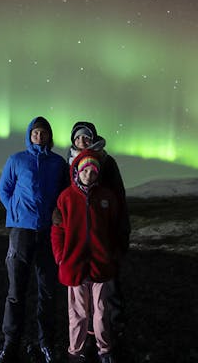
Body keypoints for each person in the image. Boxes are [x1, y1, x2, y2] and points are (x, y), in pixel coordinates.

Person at [0, 116, 69, 363]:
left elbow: (65, 194)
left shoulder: (58, 163)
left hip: (48, 232)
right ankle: (10, 345)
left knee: (47, 292)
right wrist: (16, 212)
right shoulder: (16, 160)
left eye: (44, 132)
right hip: (21, 232)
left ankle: (46, 343)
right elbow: (4, 190)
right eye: (35, 132)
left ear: (49, 136)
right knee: (16, 291)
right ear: (29, 135)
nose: (40, 136)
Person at [51, 150, 125, 363]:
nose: (89, 175)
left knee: (101, 312)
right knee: (77, 313)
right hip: (74, 264)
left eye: (93, 171)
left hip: (100, 265)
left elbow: (113, 228)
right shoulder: (66, 197)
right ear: (77, 171)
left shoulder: (106, 197)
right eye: (85, 170)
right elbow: (58, 231)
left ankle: (105, 349)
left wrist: (112, 253)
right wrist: (60, 257)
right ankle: (76, 351)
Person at [66, 122, 130, 340]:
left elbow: (119, 198)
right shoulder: (69, 163)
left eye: (86, 138)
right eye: (78, 138)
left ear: (92, 138)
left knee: (108, 284)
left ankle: (112, 330)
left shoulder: (106, 162)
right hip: (80, 237)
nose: (82, 142)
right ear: (73, 141)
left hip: (104, 234)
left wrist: (122, 236)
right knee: (82, 285)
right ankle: (87, 333)